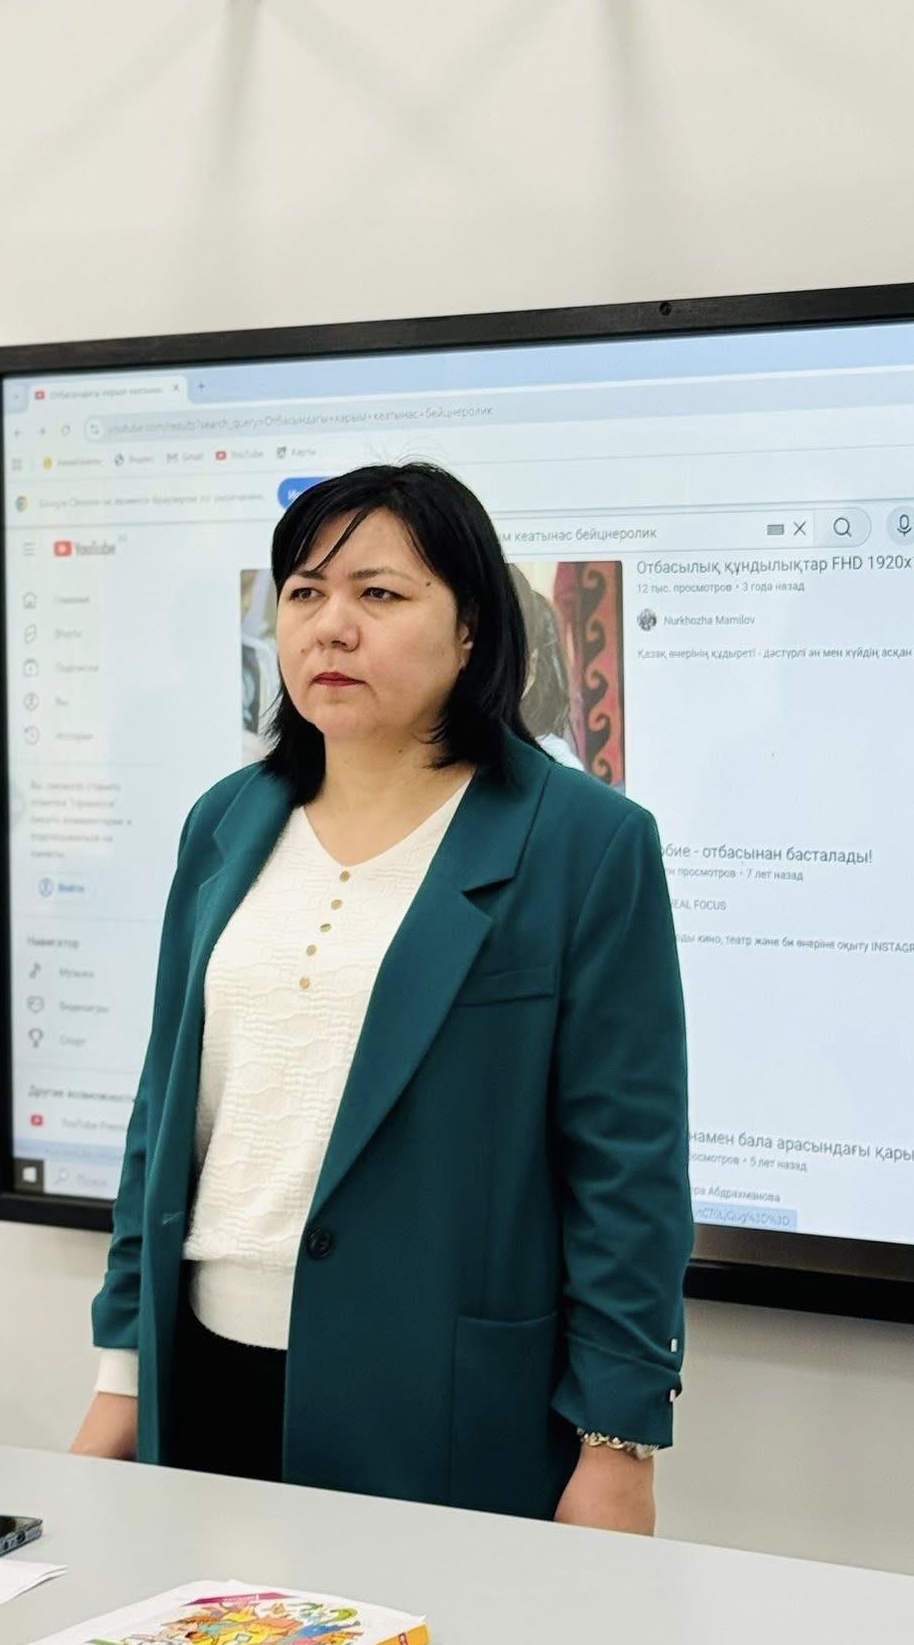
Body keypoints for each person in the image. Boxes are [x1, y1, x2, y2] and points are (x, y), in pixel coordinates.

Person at [71, 462, 691, 1534]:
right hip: (206, 1372)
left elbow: (627, 1169)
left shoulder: (586, 843)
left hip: (439, 1400)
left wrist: (618, 1441)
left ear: (472, 629)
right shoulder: (224, 823)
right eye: (305, 593)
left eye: (380, 593)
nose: (331, 625)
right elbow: (162, 1115)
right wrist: (121, 1375)